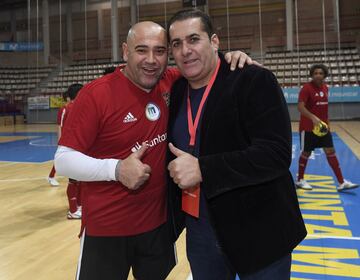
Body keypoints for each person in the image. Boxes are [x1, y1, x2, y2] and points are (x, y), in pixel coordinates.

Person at [54, 21, 254, 280]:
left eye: (159, 51)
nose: (151, 60)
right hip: (106, 230)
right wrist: (116, 169)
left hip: (158, 227)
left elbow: (204, 63)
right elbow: (63, 161)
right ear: (125, 51)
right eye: (141, 50)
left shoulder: (171, 82)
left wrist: (230, 58)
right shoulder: (96, 94)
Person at [166, 9, 307, 279]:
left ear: (215, 42)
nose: (185, 50)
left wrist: (204, 169)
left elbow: (275, 154)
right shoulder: (177, 89)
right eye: (177, 43)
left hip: (259, 232)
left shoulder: (253, 79)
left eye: (193, 39)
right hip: (201, 235)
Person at [295, 64, 358, 191]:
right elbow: (300, 107)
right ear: (312, 75)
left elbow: (324, 109)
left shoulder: (325, 88)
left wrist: (327, 125)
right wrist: (313, 118)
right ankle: (300, 180)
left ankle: (341, 182)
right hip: (308, 128)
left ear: (324, 75)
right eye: (315, 73)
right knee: (306, 153)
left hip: (323, 128)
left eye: (320, 73)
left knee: (330, 151)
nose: (318, 75)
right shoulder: (306, 88)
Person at [61, 83, 83, 219]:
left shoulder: (80, 106)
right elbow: (62, 127)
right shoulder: (67, 108)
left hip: (80, 147)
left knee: (80, 179)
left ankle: (79, 205)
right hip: (71, 148)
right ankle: (73, 210)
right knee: (73, 180)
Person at [47, 90, 69, 186]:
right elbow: (59, 125)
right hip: (65, 138)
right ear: (68, 97)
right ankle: (51, 177)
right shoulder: (63, 109)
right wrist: (60, 139)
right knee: (60, 158)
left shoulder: (75, 108)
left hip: (72, 137)